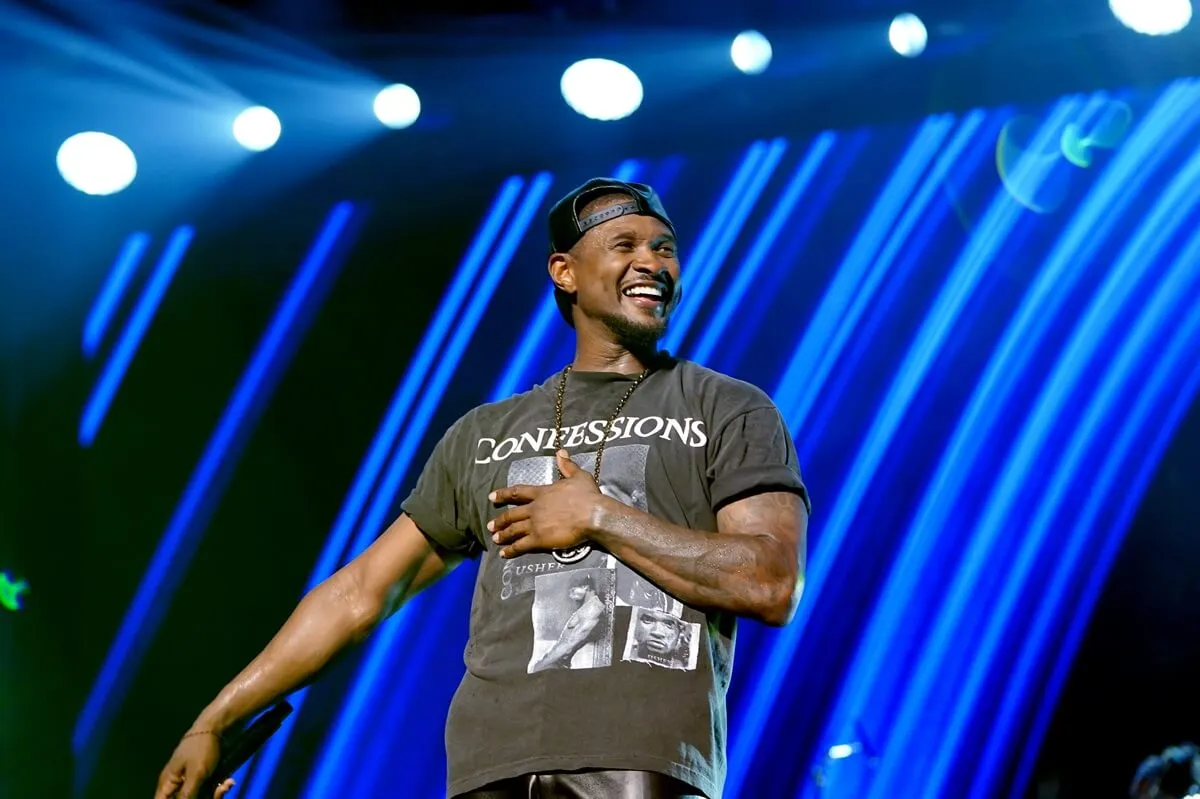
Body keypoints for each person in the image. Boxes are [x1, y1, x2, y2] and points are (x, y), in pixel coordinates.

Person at [154, 178, 811, 799]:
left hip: (639, 765)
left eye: (664, 249)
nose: (653, 263)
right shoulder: (484, 432)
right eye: (626, 245)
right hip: (488, 769)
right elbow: (360, 592)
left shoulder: (726, 407)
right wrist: (216, 717)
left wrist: (600, 516)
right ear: (565, 272)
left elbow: (771, 580)